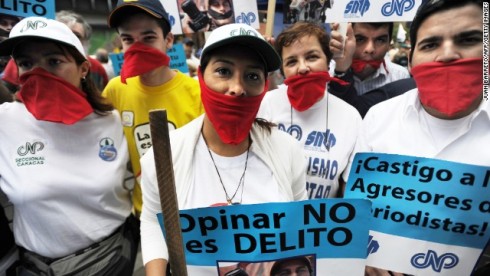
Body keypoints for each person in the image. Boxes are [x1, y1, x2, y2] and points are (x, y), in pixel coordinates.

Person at [140, 23, 307, 275]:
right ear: (201, 76)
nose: (237, 88)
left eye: (252, 76)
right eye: (223, 71)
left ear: (264, 86)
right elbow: (154, 220)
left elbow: (299, 225)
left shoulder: (289, 151)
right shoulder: (164, 156)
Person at [344, 0, 487, 274]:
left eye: (468, 39)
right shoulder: (378, 117)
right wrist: (362, 252)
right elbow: (355, 209)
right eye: (430, 44)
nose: (447, 54)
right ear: (410, 60)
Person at [0, 16, 137, 275]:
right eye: (26, 63)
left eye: (54, 61)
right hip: (36, 265)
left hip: (111, 259)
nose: (37, 73)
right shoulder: (5, 122)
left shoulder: (112, 120)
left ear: (83, 68)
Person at [104, 0, 204, 217]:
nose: (138, 47)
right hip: (146, 214)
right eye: (128, 39)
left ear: (168, 40)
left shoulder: (196, 92)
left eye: (148, 38)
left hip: (195, 214)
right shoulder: (115, 90)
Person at [258, 21, 362, 199]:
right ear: (282, 70)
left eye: (312, 57)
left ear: (328, 61)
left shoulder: (350, 116)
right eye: (291, 61)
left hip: (322, 224)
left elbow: (349, 188)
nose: (303, 68)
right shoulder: (265, 105)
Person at [329, 21, 410, 95]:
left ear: (389, 43)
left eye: (380, 40)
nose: (370, 49)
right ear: (345, 39)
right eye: (359, 39)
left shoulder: (401, 77)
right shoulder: (327, 75)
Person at [56, 10, 109, 91]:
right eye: (62, 33)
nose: (69, 39)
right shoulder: (41, 64)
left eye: (76, 35)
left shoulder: (97, 68)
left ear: (85, 42)